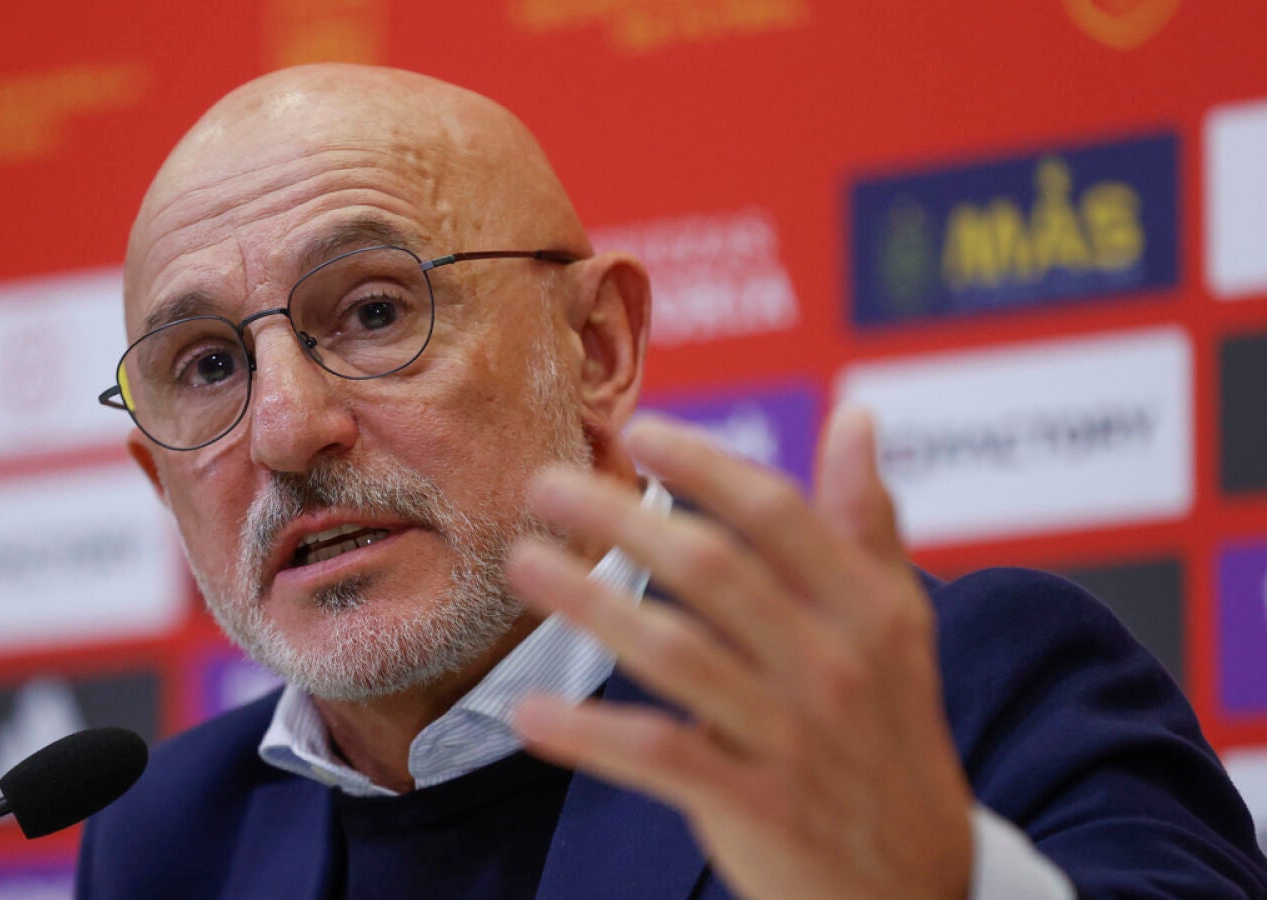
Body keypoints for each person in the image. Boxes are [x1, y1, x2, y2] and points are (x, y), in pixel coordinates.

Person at [76, 64, 1267, 898]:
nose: (286, 429)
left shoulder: (954, 695)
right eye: (209, 366)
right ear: (157, 478)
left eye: (377, 311)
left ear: (595, 349)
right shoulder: (161, 839)